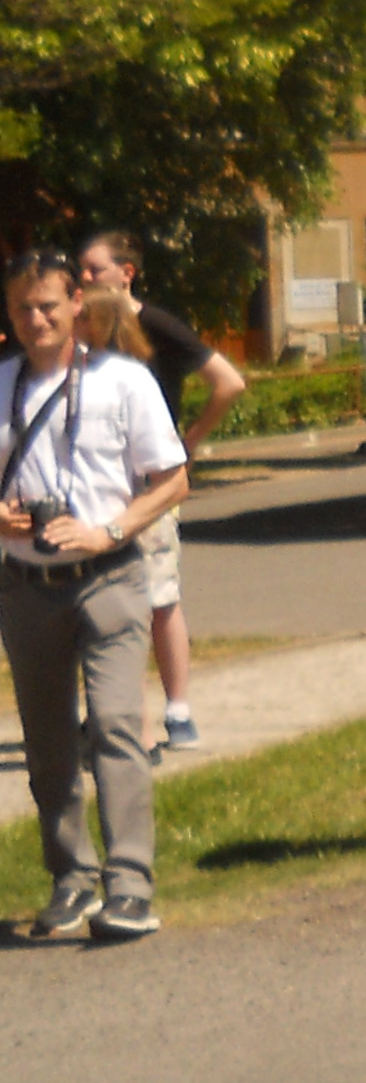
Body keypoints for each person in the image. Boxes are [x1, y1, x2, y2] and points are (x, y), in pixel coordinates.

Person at [0, 247, 187, 942]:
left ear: (76, 303)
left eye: (48, 305)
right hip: (25, 585)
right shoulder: (1, 383)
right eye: (23, 308)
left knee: (114, 726)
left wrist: (107, 530)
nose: (36, 319)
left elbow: (173, 480)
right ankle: (71, 878)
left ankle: (130, 885)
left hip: (110, 576)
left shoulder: (123, 380)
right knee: (48, 744)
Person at [79, 229, 247, 757]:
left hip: (149, 483)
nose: (84, 278)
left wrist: (186, 442)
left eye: (94, 269)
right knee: (109, 601)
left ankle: (176, 711)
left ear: (126, 273)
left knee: (158, 597)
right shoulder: (80, 330)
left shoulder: (154, 325)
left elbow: (229, 382)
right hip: (100, 485)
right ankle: (126, 716)